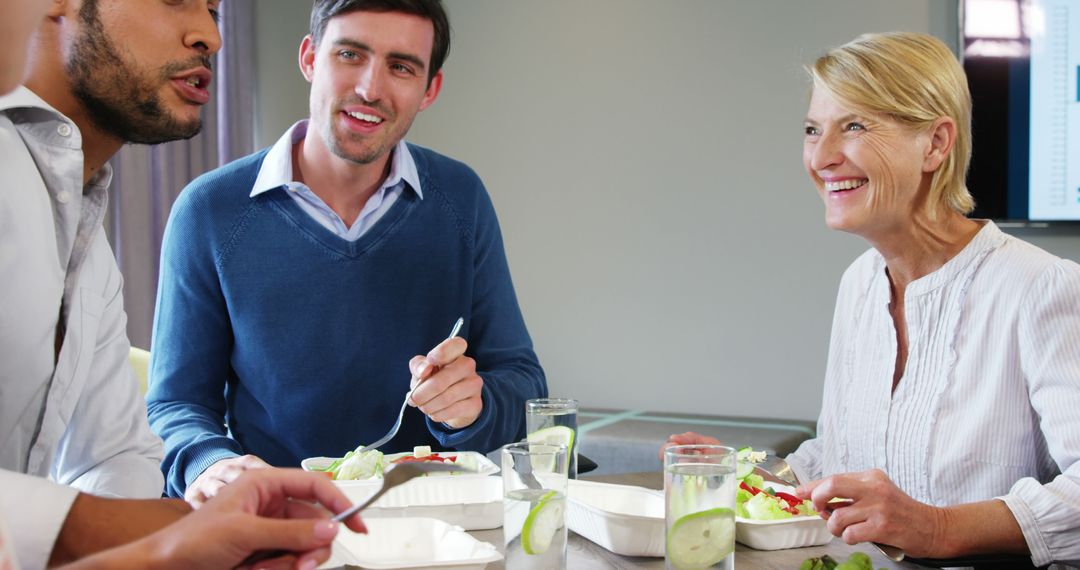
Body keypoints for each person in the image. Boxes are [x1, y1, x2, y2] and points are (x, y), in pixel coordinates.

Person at [663, 32, 1080, 567]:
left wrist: (937, 528)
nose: (823, 157)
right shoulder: (859, 283)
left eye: (854, 126)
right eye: (813, 130)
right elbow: (836, 458)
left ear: (935, 144)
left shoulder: (1042, 287)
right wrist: (744, 476)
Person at [0, 1, 366, 568]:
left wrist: (207, 534)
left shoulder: (87, 242)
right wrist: (172, 533)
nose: (210, 38)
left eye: (215, 12)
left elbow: (112, 458)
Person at [147, 0, 547, 504]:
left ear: (430, 90)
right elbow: (175, 404)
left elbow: (526, 383)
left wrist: (476, 407)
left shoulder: (460, 198)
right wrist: (212, 463)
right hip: (272, 523)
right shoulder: (208, 210)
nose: (370, 89)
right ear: (311, 58)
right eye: (350, 55)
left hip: (428, 526)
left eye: (401, 67)